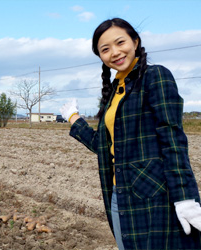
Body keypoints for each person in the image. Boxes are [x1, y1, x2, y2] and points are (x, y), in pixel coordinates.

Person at [60, 18, 201, 249]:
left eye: (120, 42)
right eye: (105, 49)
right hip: (119, 195)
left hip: (156, 196)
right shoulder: (115, 90)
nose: (114, 52)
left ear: (135, 41)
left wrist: (185, 196)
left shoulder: (155, 77)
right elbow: (104, 147)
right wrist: (75, 120)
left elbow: (172, 139)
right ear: (100, 57)